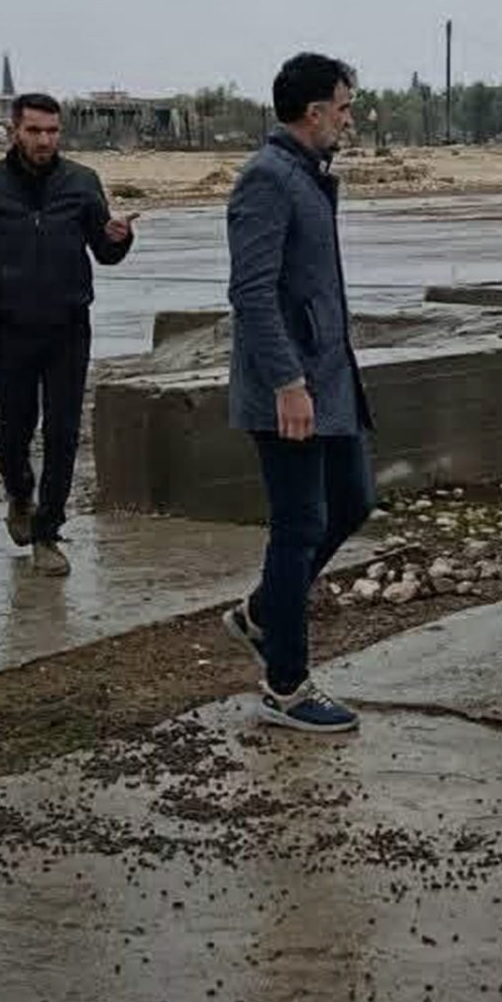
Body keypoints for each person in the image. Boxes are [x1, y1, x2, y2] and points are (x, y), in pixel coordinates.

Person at [219, 51, 375, 733]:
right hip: (288, 389)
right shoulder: (268, 179)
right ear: (314, 112)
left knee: (353, 499)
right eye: (343, 108)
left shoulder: (307, 174)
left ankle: (262, 611)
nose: (349, 120)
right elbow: (251, 293)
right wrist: (288, 382)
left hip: (329, 380)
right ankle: (285, 685)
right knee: (299, 525)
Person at [0, 92, 136, 574]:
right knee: (12, 430)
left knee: (63, 432)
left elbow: (105, 252)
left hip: (69, 328)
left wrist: (119, 237)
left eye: (52, 131)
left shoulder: (82, 182)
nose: (45, 140)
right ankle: (19, 494)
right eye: (34, 131)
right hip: (11, 329)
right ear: (15, 132)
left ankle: (47, 533)